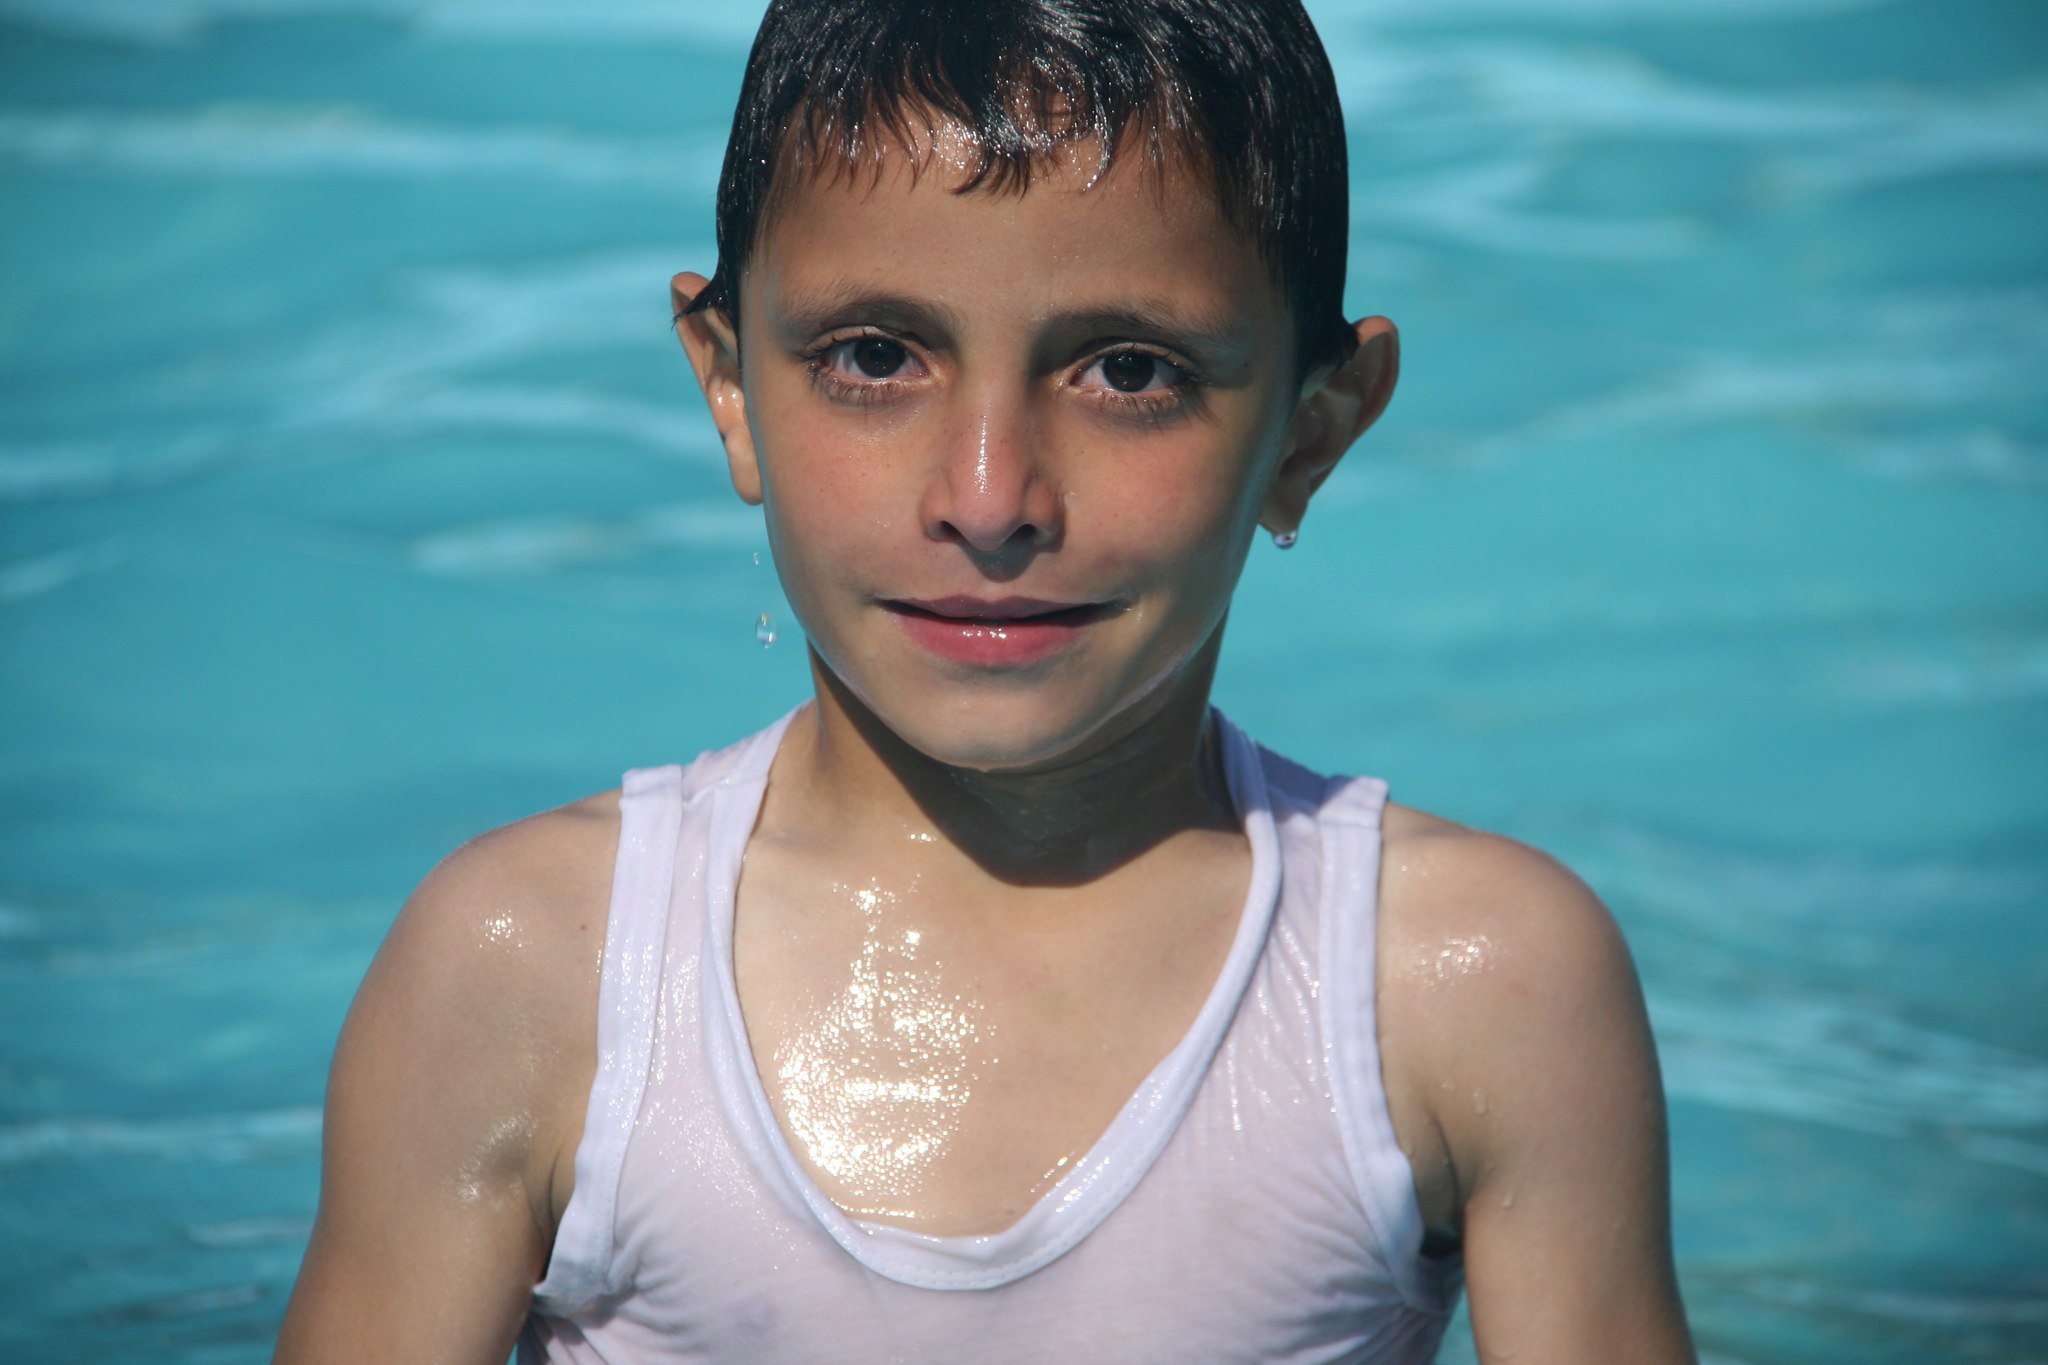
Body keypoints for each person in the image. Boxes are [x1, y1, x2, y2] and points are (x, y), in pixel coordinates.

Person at [275, 1, 1695, 1360]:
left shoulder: (1458, 991)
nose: (990, 494)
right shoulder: (535, 973)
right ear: (728, 388)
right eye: (875, 357)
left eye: (1128, 371)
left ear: (1311, 433)